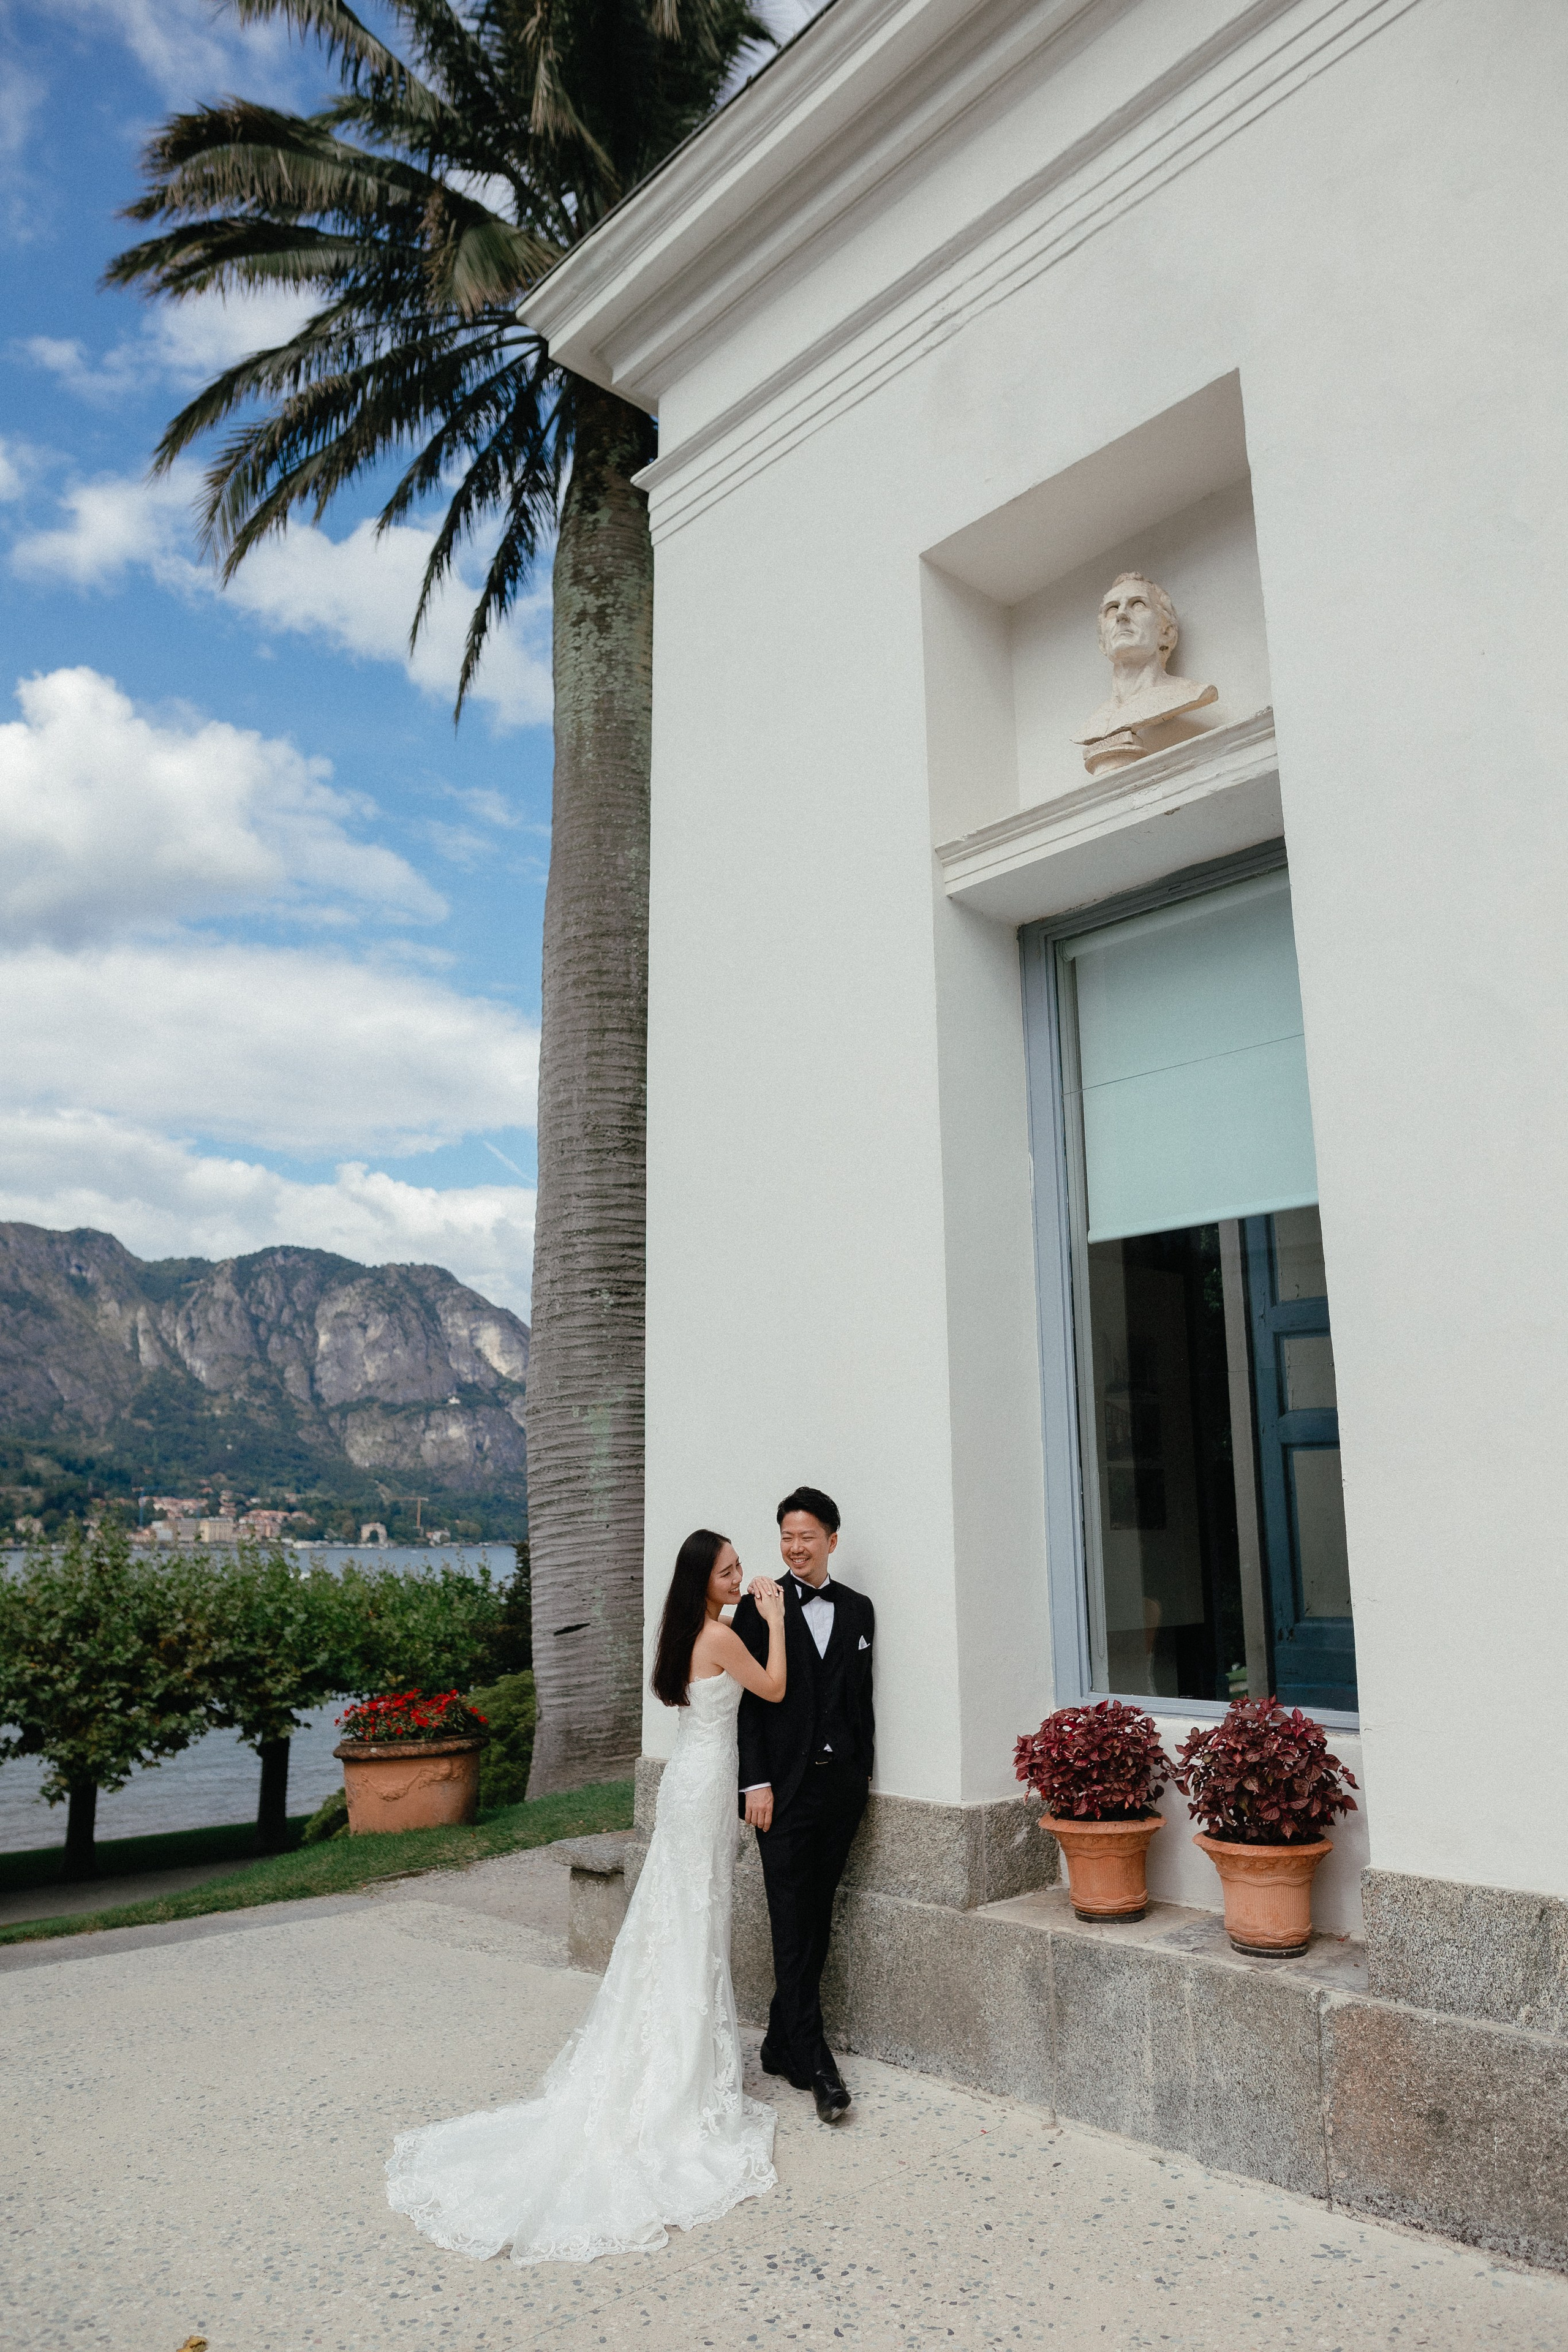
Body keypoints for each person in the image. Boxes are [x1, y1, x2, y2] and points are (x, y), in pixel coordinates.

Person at [386, 1529, 788, 2265]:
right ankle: (681, 2083)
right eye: (729, 1572)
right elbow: (774, 1688)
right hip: (702, 1795)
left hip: (690, 1787)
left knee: (678, 1923)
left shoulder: (686, 1635)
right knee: (692, 1924)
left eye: (740, 1571)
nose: (739, 1579)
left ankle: (680, 2057)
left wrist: (747, 1611)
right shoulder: (720, 1639)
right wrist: (778, 1617)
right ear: (703, 1579)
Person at [729, 1485, 875, 2125]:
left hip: (840, 1789)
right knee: (790, 1920)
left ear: (831, 1541)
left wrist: (861, 1771)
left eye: (807, 1536)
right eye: (787, 1536)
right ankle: (815, 2062)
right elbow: (745, 1707)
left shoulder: (860, 1610)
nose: (795, 1546)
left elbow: (857, 1698)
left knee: (814, 1917)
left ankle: (779, 2042)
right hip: (780, 1794)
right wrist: (753, 1782)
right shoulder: (757, 1607)